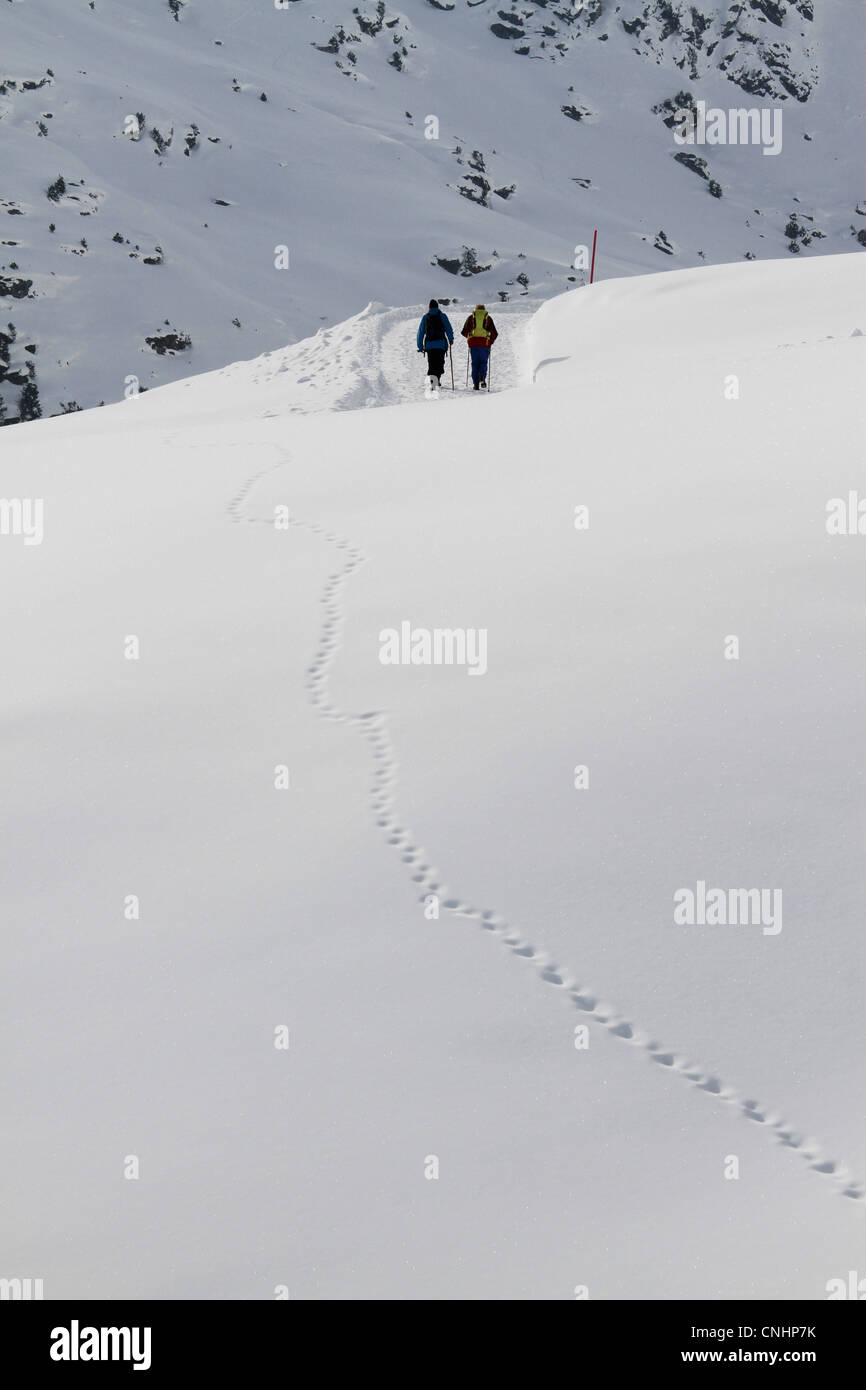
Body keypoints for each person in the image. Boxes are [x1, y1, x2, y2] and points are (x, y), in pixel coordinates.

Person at [416, 300, 454, 391]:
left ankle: (433, 381)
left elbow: (420, 333)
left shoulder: (425, 318)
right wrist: (451, 339)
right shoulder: (442, 316)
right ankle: (437, 380)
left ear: (429, 307)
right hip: (441, 345)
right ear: (437, 307)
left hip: (430, 346)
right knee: (440, 364)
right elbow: (448, 328)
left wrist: (420, 346)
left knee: (432, 364)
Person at [461, 304, 498, 390]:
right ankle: (482, 376)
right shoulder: (488, 318)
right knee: (483, 362)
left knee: (475, 363)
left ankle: (476, 384)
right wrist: (490, 342)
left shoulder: (471, 317)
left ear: (476, 310)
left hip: (473, 344)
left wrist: (469, 337)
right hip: (484, 344)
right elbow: (495, 333)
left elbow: (463, 331)